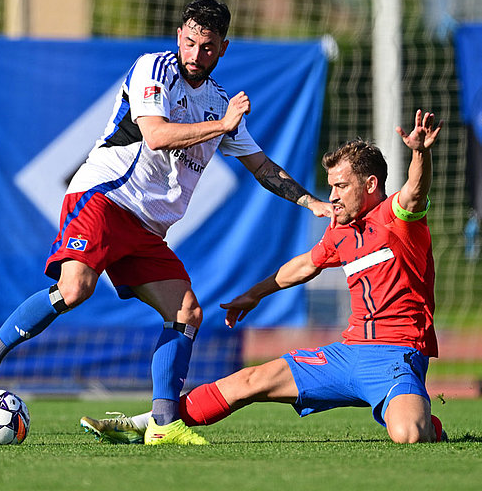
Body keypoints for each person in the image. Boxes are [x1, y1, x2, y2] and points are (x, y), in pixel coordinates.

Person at [0, 0, 332, 446]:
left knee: (187, 312)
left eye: (207, 47)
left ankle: (162, 423)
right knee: (76, 288)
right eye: (190, 42)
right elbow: (154, 135)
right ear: (179, 37)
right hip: (105, 196)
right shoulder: (154, 69)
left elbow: (263, 167)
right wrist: (223, 125)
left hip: (148, 228)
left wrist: (312, 203)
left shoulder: (217, 102)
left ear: (223, 49)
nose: (195, 54)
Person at [81, 110, 448, 444]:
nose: (332, 196)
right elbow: (305, 265)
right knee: (249, 381)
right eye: (331, 186)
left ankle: (427, 423)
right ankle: (150, 423)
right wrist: (254, 294)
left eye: (341, 186)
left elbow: (415, 191)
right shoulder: (339, 230)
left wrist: (420, 153)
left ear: (370, 185)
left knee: (409, 435)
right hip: (347, 355)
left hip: (396, 356)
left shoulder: (398, 218)